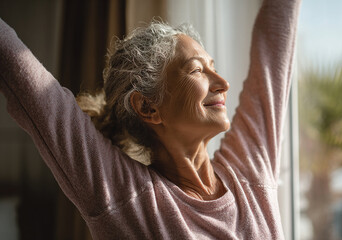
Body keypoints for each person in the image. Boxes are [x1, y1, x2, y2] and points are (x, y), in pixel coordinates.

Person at [0, 0, 301, 239]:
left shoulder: (249, 170)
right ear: (148, 107)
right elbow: (29, 84)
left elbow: (272, 50)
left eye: (213, 66)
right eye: (198, 70)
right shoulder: (128, 200)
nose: (222, 82)